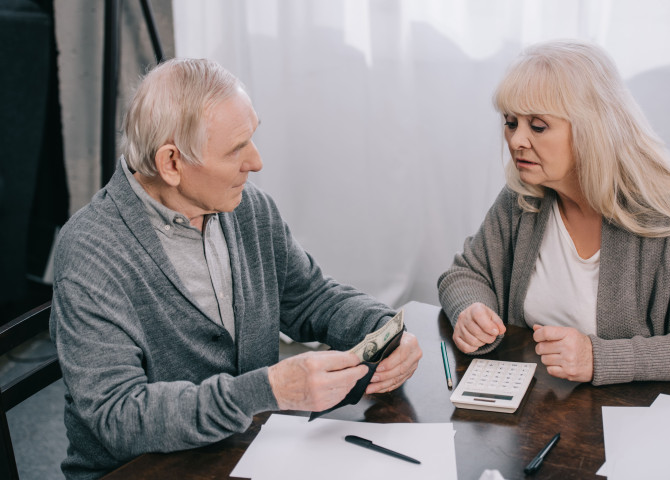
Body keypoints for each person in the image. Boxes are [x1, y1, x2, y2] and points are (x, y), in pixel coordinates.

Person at [49, 58, 422, 479]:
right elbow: (119, 417)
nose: (256, 162)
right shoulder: (92, 251)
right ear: (171, 163)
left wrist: (383, 328)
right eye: (236, 149)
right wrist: (267, 391)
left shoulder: (247, 208)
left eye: (252, 138)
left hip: (245, 450)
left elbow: (310, 298)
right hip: (142, 470)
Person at [437, 39, 670, 386]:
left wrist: (599, 358)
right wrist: (470, 309)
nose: (516, 141)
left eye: (538, 126)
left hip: (634, 414)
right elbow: (465, 273)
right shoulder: (523, 199)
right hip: (543, 407)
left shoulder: (665, 217)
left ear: (591, 128)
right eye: (511, 123)